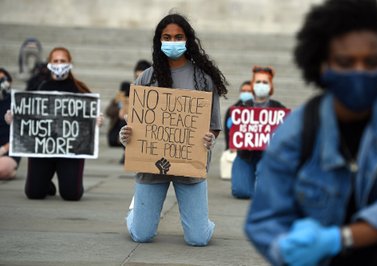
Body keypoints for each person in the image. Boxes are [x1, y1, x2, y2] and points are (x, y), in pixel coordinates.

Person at [245, 0, 377, 265]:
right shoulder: (295, 135)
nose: (360, 71)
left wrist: (342, 237)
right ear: (323, 66)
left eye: (371, 61)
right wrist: (286, 246)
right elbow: (264, 220)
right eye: (345, 62)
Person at [119, 13, 227, 246]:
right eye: (167, 37)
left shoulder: (204, 79)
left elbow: (214, 125)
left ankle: (202, 220)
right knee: (141, 235)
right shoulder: (147, 78)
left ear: (188, 40)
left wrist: (209, 139)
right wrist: (125, 135)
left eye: (178, 37)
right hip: (151, 167)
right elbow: (135, 126)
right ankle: (134, 214)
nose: (173, 41)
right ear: (159, 41)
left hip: (189, 166)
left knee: (198, 239)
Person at [6, 47, 103, 200]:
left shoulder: (80, 89)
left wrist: (95, 121)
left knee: (71, 195)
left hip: (71, 151)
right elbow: (25, 111)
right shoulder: (39, 86)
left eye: (62, 61)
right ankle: (47, 183)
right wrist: (13, 119)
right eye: (55, 61)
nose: (59, 64)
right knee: (34, 194)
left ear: (69, 63)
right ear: (49, 63)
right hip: (42, 148)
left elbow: (88, 117)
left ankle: (69, 180)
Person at [231, 66, 285, 199]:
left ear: (270, 86)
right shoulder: (242, 107)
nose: (261, 85)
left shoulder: (279, 108)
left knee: (267, 193)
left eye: (265, 82)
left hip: (268, 156)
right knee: (241, 192)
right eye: (258, 82)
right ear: (253, 84)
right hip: (245, 155)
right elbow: (231, 128)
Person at [0, 68, 20, 180]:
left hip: (9, 151)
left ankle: (10, 169)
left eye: (2, 79)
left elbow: (21, 133)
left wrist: (3, 149)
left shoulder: (16, 101)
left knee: (2, 168)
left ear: (10, 81)